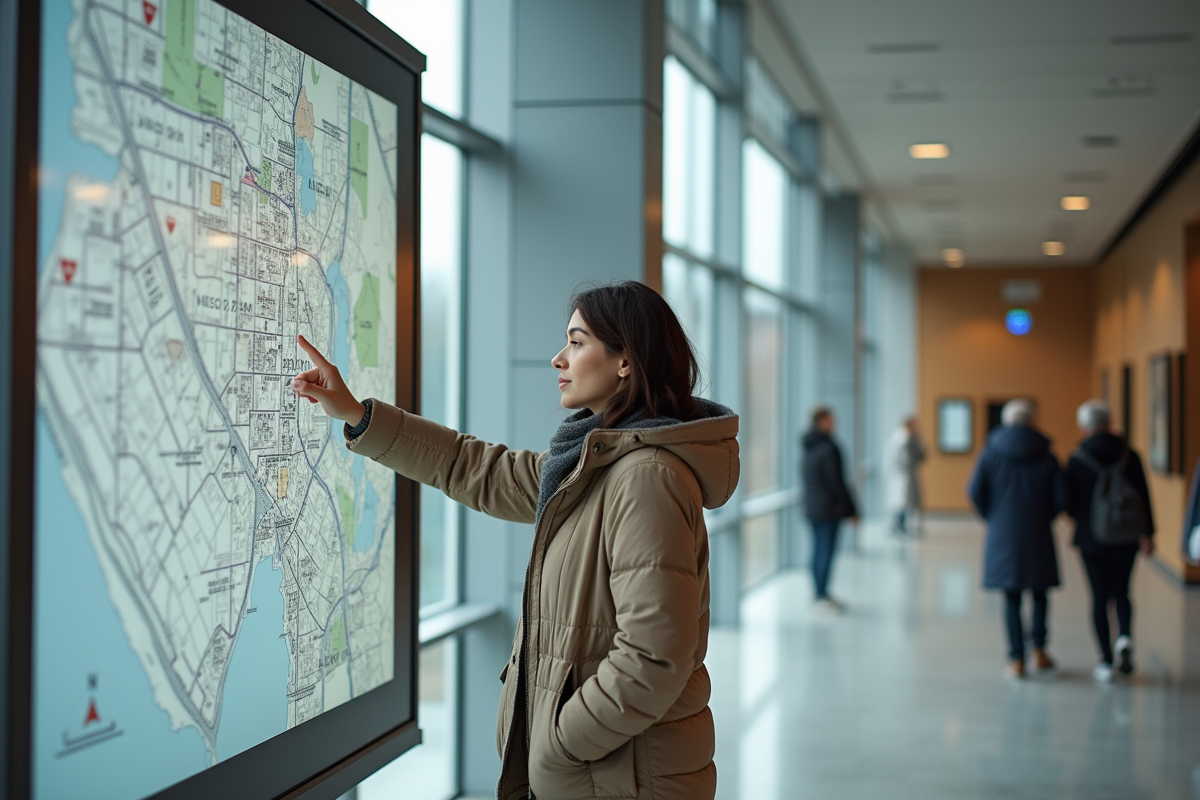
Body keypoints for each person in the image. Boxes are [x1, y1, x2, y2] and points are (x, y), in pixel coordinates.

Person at [291, 281, 738, 800]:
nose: (558, 358)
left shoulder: (645, 478)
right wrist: (356, 414)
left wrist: (559, 743)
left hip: (622, 779)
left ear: (625, 362)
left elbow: (655, 656)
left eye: (576, 342)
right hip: (605, 772)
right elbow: (472, 467)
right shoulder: (593, 467)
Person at [968, 399, 1065, 679]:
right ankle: (1040, 649)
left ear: (1006, 422)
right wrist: (1045, 516)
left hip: (1003, 533)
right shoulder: (1047, 455)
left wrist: (992, 516)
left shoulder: (989, 453)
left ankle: (1016, 658)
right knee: (1040, 593)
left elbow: (975, 492)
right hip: (1038, 532)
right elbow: (1062, 498)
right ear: (1033, 421)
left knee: (1011, 597)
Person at [1063, 400, 1155, 683]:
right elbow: (1144, 496)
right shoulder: (1130, 454)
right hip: (1127, 537)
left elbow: (1068, 502)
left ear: (1084, 427)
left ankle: (1105, 661)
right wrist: (1149, 534)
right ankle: (1124, 638)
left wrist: (1082, 518)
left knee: (1099, 598)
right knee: (1122, 592)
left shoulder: (1077, 459)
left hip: (1091, 539)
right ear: (1110, 423)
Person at [801, 406, 859, 613]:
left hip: (812, 507)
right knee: (825, 551)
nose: (834, 422)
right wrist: (852, 509)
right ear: (822, 421)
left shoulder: (809, 446)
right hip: (828, 510)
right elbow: (837, 482)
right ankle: (822, 595)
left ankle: (818, 593)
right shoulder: (829, 447)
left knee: (818, 550)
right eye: (831, 419)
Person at [885, 416, 927, 536]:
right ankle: (897, 525)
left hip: (909, 474)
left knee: (909, 502)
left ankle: (906, 525)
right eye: (914, 425)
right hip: (901, 476)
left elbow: (921, 456)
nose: (916, 428)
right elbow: (897, 458)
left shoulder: (913, 439)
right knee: (901, 502)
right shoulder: (899, 438)